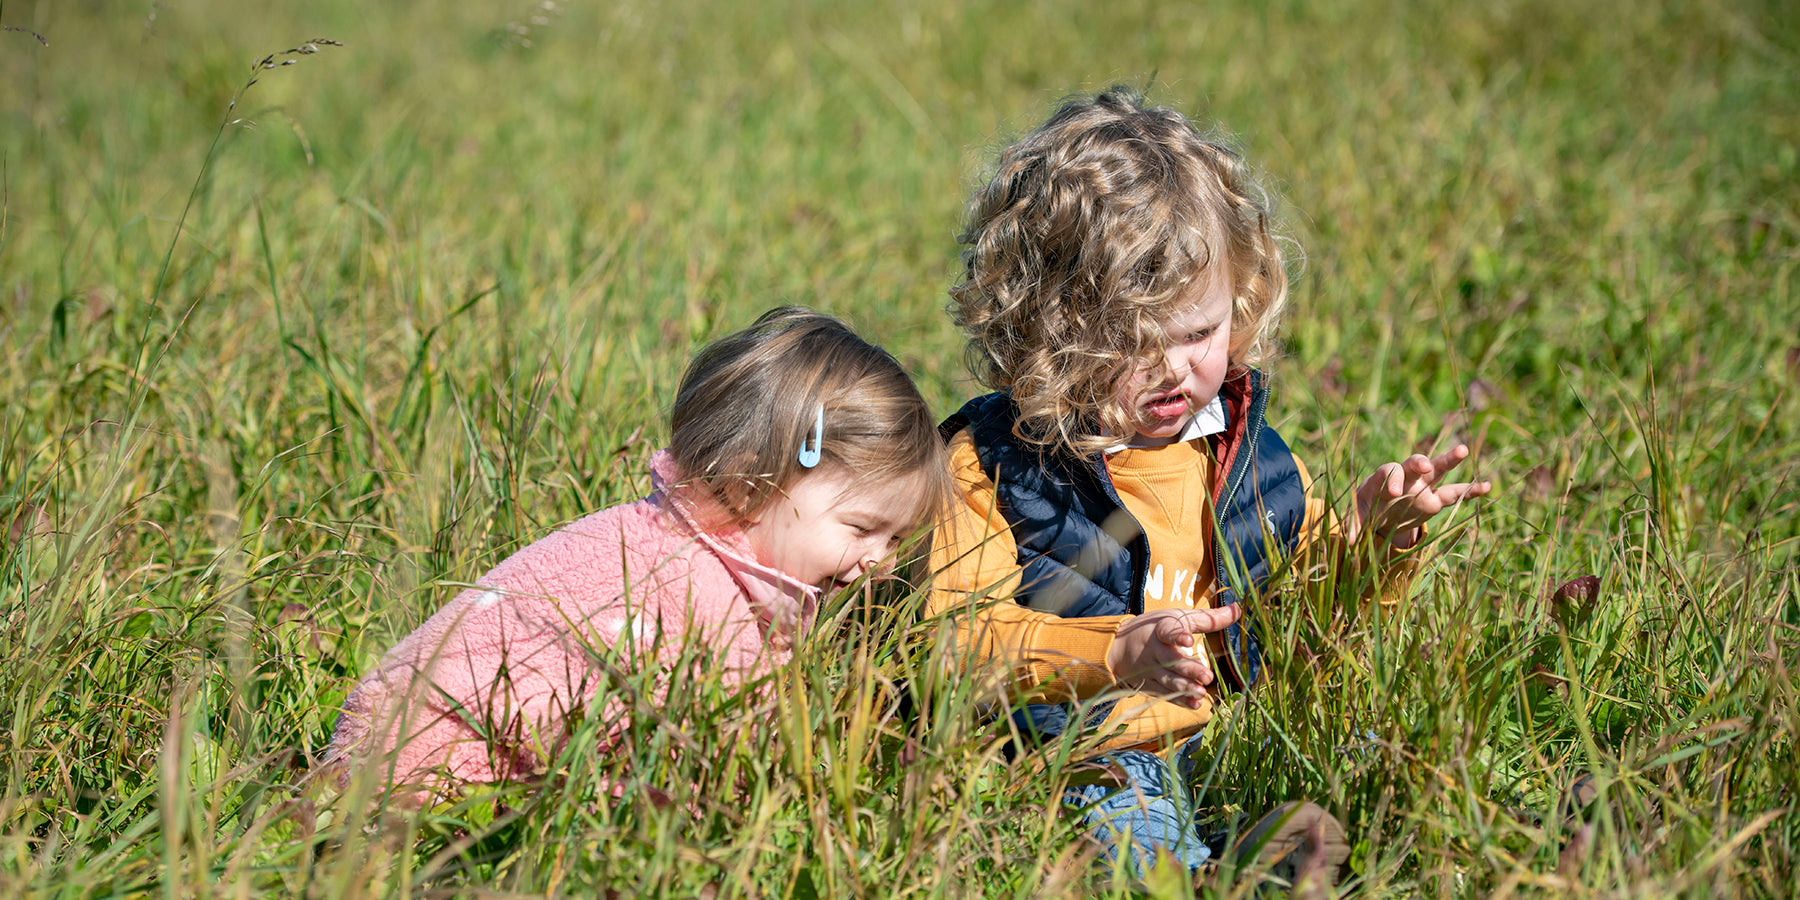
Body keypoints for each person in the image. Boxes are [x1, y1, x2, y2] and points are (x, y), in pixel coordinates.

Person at [928, 88, 1492, 883]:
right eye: (1131, 341)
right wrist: (1111, 653)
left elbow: (1304, 633)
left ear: (1242, 297)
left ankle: (1495, 845)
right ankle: (1228, 877)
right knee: (1127, 823)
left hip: (1235, 735)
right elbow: (954, 642)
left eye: (1200, 332)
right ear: (1046, 329)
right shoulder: (991, 467)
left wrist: (1376, 540)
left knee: (1401, 771)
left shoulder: (1250, 461)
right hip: (1086, 750)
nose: (1176, 368)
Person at [328, 307, 952, 803]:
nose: (881, 561)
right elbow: (721, 767)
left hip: (388, 744)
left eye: (896, 540)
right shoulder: (704, 600)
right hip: (437, 779)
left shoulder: (653, 535)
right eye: (862, 528)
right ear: (748, 483)